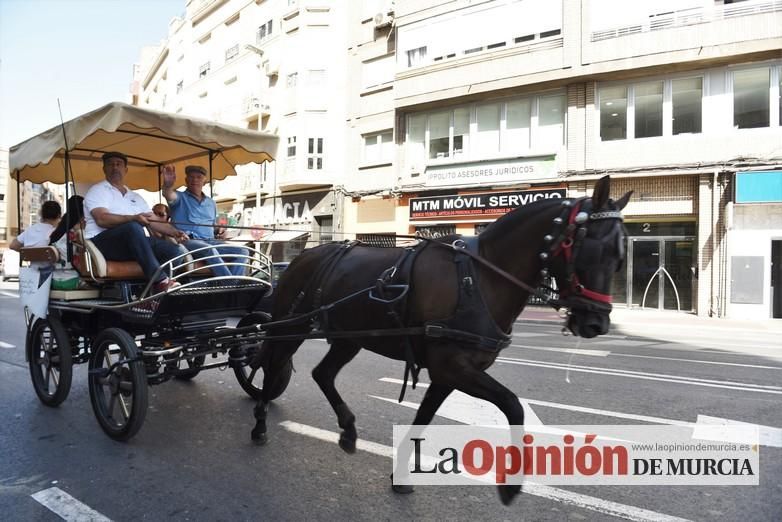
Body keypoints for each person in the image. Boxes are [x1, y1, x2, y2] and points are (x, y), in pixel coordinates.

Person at [83, 151, 188, 292]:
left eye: (119, 164)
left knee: (175, 251)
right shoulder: (97, 191)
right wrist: (132, 218)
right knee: (132, 227)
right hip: (103, 244)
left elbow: (154, 220)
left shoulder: (135, 196)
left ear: (125, 170)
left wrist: (175, 232)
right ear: (104, 169)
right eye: (110, 164)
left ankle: (150, 291)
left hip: (133, 243)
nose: (115, 167)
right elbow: (102, 219)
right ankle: (160, 281)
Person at [161, 164, 247, 278]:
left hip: (210, 241)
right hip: (188, 241)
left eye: (198, 177)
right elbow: (168, 194)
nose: (195, 180)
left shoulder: (211, 203)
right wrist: (167, 185)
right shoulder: (180, 197)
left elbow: (212, 225)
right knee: (209, 250)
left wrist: (220, 230)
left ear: (205, 181)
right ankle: (231, 286)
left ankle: (233, 287)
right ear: (186, 180)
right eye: (191, 177)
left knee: (243, 251)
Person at [10, 200, 62, 280]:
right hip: (51, 277)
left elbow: (13, 245)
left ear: (41, 214)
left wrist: (28, 252)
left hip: (31, 276)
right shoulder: (56, 233)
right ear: (59, 215)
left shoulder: (31, 230)